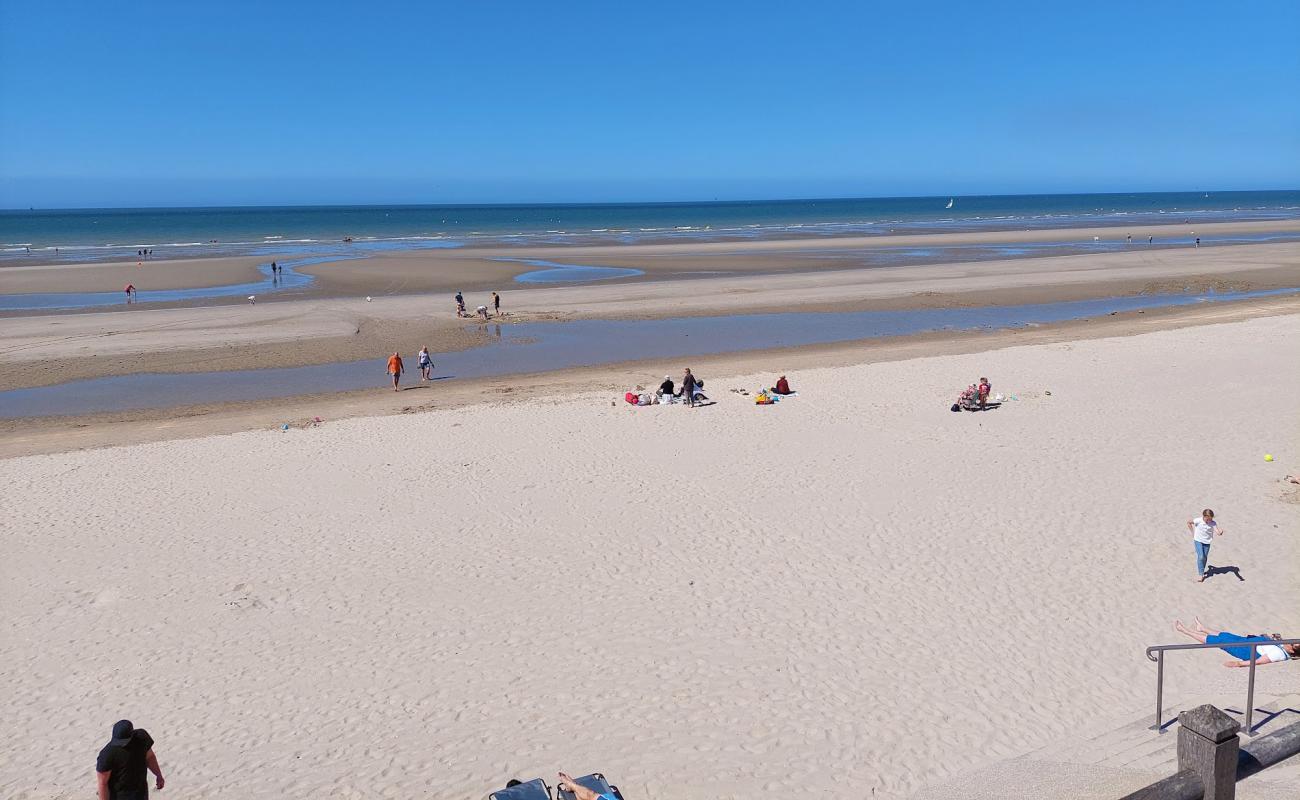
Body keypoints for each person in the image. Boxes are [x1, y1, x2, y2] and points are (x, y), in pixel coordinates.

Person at [1173, 618, 1298, 667]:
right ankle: (1203, 629)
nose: (1290, 641)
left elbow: (1258, 662)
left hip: (1247, 651)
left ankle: (1185, 631)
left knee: (1219, 641)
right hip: (1252, 642)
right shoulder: (1286, 646)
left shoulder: (1279, 654)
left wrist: (1237, 664)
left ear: (1292, 650)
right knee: (1228, 636)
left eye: (1292, 643)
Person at [96, 719, 163, 800]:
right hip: (119, 795)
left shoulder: (141, 738)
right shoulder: (107, 754)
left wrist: (158, 775)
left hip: (140, 792)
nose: (120, 745)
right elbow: (102, 783)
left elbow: (150, 757)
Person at [1187, 508, 1223, 583]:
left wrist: (1220, 533)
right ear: (1204, 516)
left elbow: (1217, 531)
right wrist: (1192, 533)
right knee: (1201, 556)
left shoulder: (1213, 523)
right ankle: (1201, 574)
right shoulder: (1198, 520)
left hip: (1207, 542)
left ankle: (1202, 571)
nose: (1209, 520)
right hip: (1198, 540)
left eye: (1211, 519)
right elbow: (1189, 522)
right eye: (1208, 519)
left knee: (1204, 557)